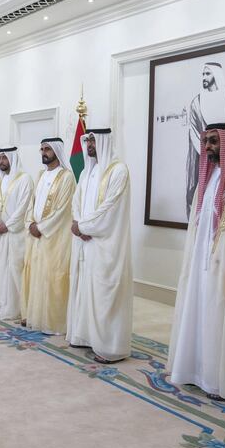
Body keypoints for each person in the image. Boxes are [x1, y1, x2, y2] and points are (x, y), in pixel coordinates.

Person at [167, 123, 225, 399]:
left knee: (221, 317)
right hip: (201, 262)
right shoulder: (208, 178)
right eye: (206, 141)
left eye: (214, 141)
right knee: (198, 312)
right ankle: (195, 370)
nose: (207, 147)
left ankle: (219, 380)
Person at [67, 128, 133, 363]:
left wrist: (83, 226)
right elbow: (76, 200)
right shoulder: (86, 171)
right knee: (84, 289)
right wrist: (77, 223)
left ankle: (110, 347)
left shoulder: (118, 171)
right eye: (88, 140)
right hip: (85, 242)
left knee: (105, 294)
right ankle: (83, 335)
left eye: (94, 140)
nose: (90, 144)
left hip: (106, 245)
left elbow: (110, 209)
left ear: (105, 141)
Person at [21, 138, 75, 334]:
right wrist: (30, 224)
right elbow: (31, 204)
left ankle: (53, 321)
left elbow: (62, 210)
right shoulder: (40, 175)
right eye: (42, 149)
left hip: (55, 237)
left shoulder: (67, 177)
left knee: (53, 277)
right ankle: (34, 315)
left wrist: (41, 228)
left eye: (48, 149)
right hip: (36, 235)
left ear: (57, 151)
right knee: (35, 274)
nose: (44, 152)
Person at [0, 147, 34, 320]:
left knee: (12, 270)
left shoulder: (25, 179)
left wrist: (8, 225)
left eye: (5, 158)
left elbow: (24, 207)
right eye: (0, 158)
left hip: (13, 234)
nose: (2, 161)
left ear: (13, 158)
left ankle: (12, 307)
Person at [186, 63, 225, 217]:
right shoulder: (197, 102)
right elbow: (195, 131)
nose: (204, 77)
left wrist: (223, 149)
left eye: (207, 74)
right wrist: (205, 151)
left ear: (216, 75)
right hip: (201, 156)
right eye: (203, 74)